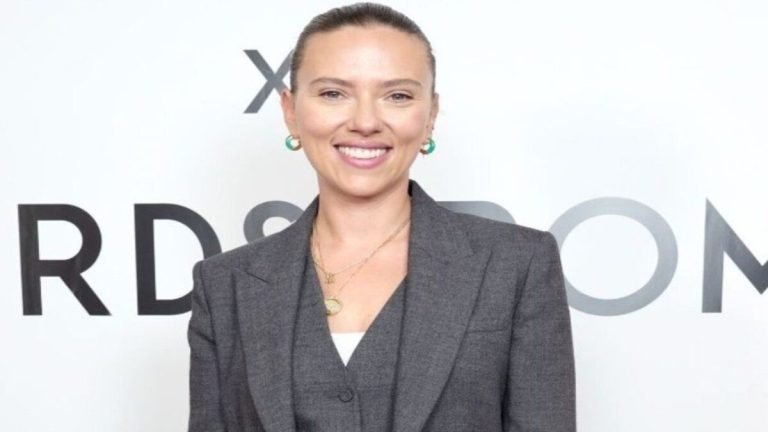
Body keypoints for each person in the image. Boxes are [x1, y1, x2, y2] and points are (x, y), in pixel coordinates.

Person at [187, 3, 576, 431]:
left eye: (398, 96)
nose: (366, 122)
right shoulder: (224, 284)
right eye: (333, 93)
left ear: (430, 115)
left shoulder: (517, 265)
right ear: (291, 111)